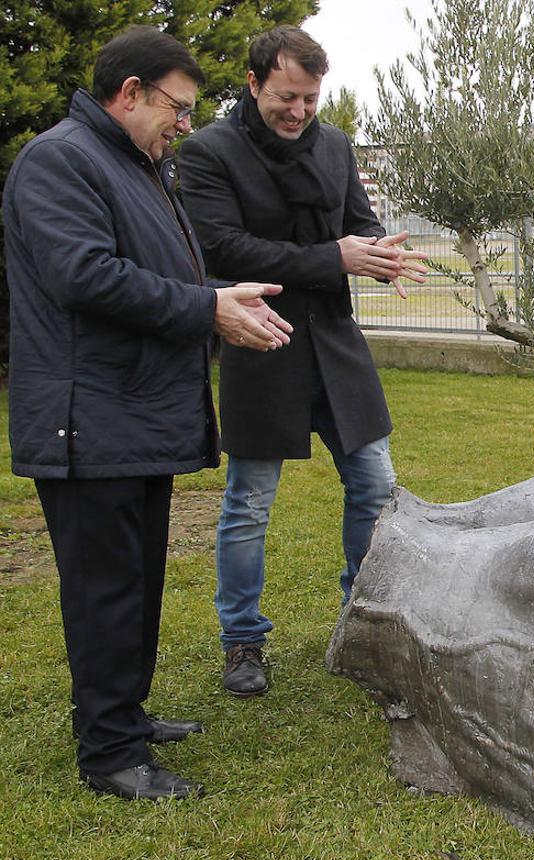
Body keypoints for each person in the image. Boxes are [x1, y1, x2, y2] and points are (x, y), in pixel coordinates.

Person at [4, 26, 293, 800]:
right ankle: (109, 756)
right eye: (177, 107)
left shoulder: (135, 164)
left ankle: (123, 716)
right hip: (88, 418)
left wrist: (218, 299)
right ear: (128, 93)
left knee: (134, 581)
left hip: (132, 415)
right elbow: (86, 276)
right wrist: (208, 310)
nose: (185, 124)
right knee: (105, 591)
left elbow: (158, 269)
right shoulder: (61, 160)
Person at [177, 26, 426, 699]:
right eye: (287, 97)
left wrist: (381, 254)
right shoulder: (208, 154)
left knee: (375, 487)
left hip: (336, 347)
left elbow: (359, 222)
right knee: (250, 503)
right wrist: (335, 257)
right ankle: (242, 640)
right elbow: (223, 250)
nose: (299, 112)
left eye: (310, 100)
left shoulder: (336, 144)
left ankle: (362, 616)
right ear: (254, 83)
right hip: (262, 341)